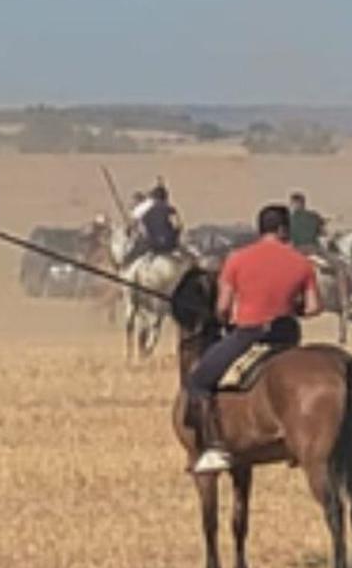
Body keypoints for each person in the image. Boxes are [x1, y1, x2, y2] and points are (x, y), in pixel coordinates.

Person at [184, 204, 323, 474]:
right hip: (287, 337)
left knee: (199, 380)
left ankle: (214, 447)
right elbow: (314, 307)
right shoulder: (302, 263)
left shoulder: (236, 259)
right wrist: (292, 309)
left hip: (248, 335)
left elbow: (223, 308)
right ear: (283, 229)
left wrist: (225, 319)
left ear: (261, 229)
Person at [122, 184, 183, 267]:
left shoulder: (144, 212)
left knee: (132, 255)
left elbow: (133, 228)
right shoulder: (170, 209)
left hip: (154, 245)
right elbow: (179, 225)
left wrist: (128, 231)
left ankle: (124, 269)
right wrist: (176, 236)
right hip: (172, 244)